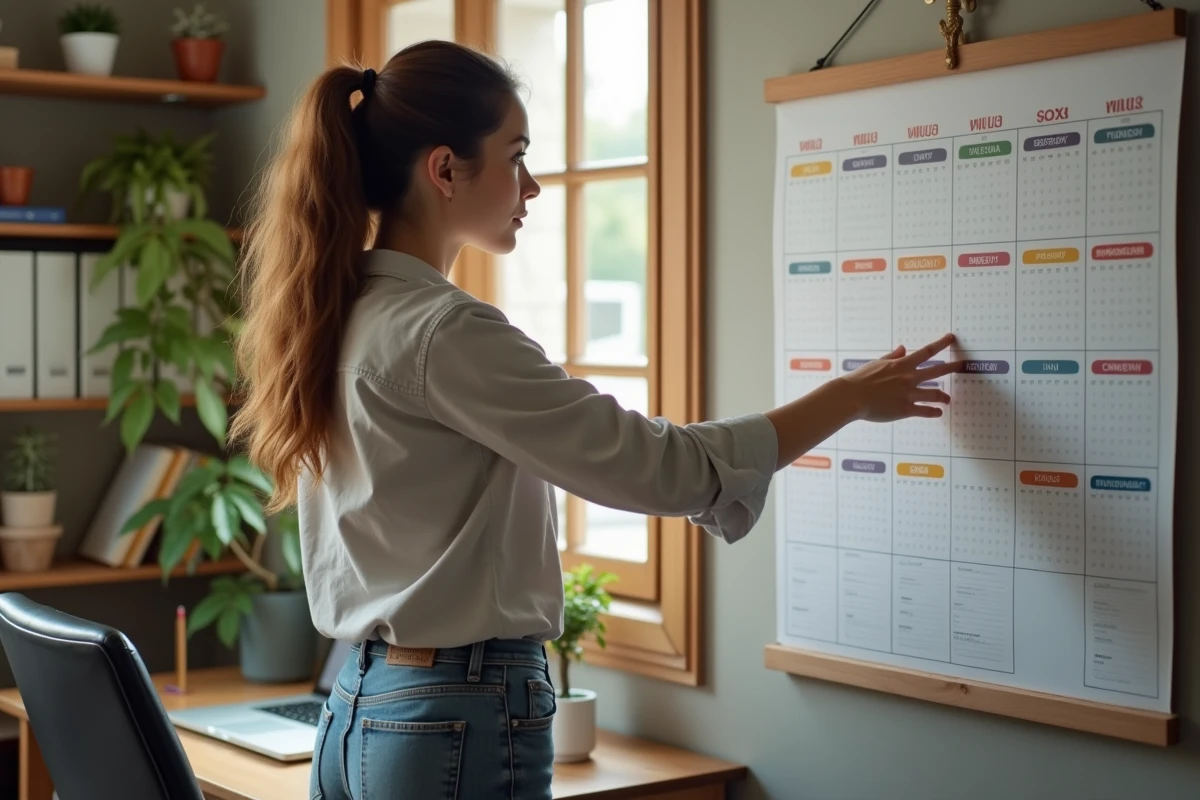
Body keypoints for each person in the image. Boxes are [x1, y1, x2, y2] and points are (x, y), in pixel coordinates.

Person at [229, 40, 960, 800]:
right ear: (445, 170)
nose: (534, 185)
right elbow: (654, 466)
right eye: (515, 156)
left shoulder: (337, 316)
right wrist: (846, 399)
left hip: (358, 713)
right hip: (453, 715)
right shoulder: (443, 333)